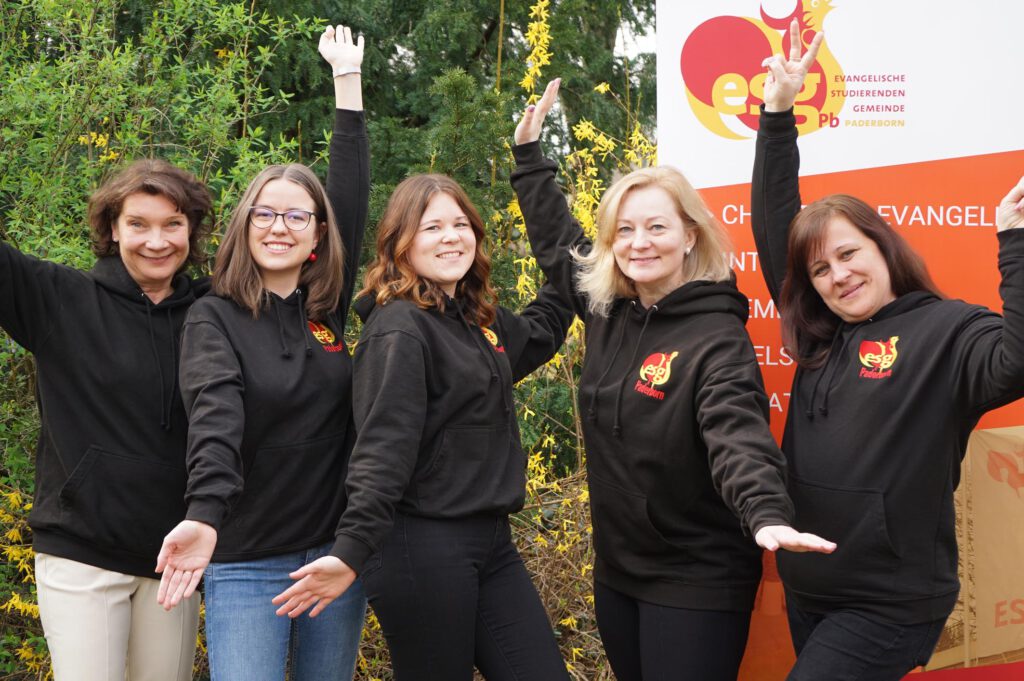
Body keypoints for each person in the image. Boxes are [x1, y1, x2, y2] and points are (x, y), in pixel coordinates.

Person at [507, 79, 834, 681]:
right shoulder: (608, 308)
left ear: (690, 235)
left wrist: (764, 511)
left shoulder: (716, 334)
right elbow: (559, 247)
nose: (639, 243)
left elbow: (736, 434)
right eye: (624, 230)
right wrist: (530, 159)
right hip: (619, 570)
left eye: (657, 228)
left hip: (696, 576)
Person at [752, 21, 1024, 680]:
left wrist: (1015, 243)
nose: (838, 275)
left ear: (883, 246)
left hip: (890, 604)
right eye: (820, 270)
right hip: (810, 587)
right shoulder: (820, 333)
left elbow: (1017, 359)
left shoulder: (950, 331)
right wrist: (778, 114)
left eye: (849, 253)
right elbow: (774, 223)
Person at [271, 171, 576, 680]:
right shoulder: (399, 329)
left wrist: (570, 253)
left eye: (460, 224)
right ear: (401, 244)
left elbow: (546, 323)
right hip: (420, 545)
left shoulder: (477, 320)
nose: (451, 236)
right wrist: (351, 552)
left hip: (490, 541)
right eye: (432, 227)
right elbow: (381, 451)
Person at [153, 24, 369, 681]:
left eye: (297, 216)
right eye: (265, 214)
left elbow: (350, 193)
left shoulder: (325, 313)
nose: (280, 226)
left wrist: (347, 83)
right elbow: (216, 420)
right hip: (246, 560)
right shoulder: (212, 317)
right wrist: (206, 516)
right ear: (245, 226)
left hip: (332, 558)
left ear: (317, 235)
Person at [0, 157, 212, 677]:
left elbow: (319, 243)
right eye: (138, 224)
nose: (156, 241)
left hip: (172, 562)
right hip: (82, 551)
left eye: (172, 224)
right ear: (112, 229)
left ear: (193, 230)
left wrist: (347, 89)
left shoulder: (215, 311)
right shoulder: (59, 300)